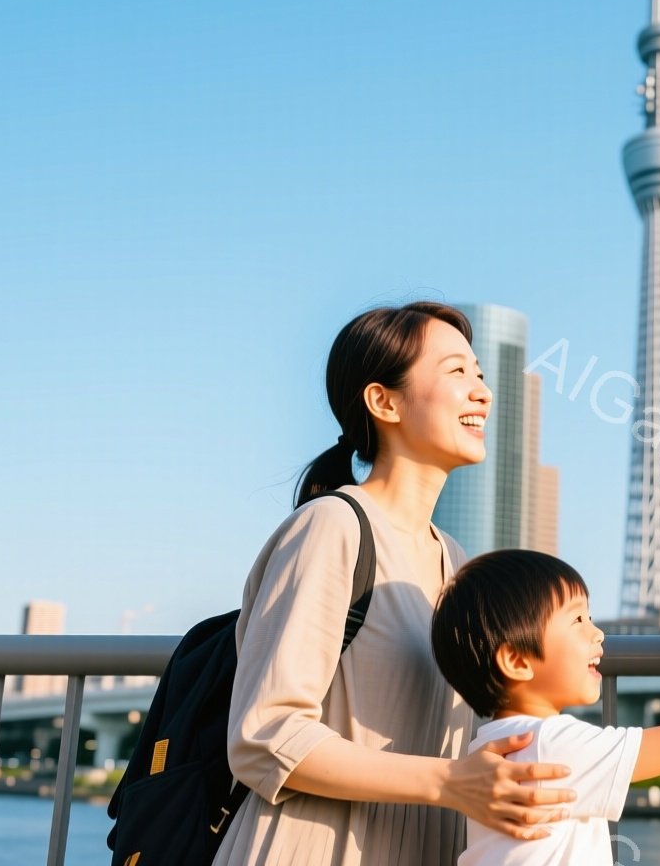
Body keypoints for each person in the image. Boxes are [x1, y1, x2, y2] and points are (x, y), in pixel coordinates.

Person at [214, 302, 577, 866]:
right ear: (384, 401)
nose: (482, 392)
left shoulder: (452, 559)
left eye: (480, 374)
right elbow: (265, 737)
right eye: (457, 372)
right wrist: (449, 781)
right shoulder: (331, 527)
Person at [431, 549, 660, 865]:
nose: (598, 634)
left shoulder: (490, 745)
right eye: (578, 621)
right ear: (516, 660)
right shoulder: (549, 743)